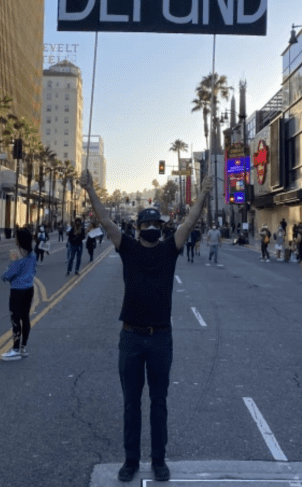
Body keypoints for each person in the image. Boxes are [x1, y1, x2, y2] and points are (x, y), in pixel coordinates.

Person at [80, 168, 212, 484]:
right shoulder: (127, 247)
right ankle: (130, 460)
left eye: (157, 224)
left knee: (159, 403)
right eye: (147, 224)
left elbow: (190, 221)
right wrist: (89, 190)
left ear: (162, 227)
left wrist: (205, 192)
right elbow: (106, 222)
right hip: (131, 337)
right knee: (130, 404)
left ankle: (159, 460)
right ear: (138, 228)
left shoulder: (170, 249)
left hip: (160, 339)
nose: (152, 228)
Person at [0, 227, 37, 361]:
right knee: (25, 317)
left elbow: (11, 272)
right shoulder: (33, 254)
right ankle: (23, 347)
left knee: (15, 319)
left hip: (17, 290)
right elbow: (34, 270)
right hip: (29, 288)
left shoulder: (16, 254)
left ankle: (15, 349)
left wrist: (4, 276)